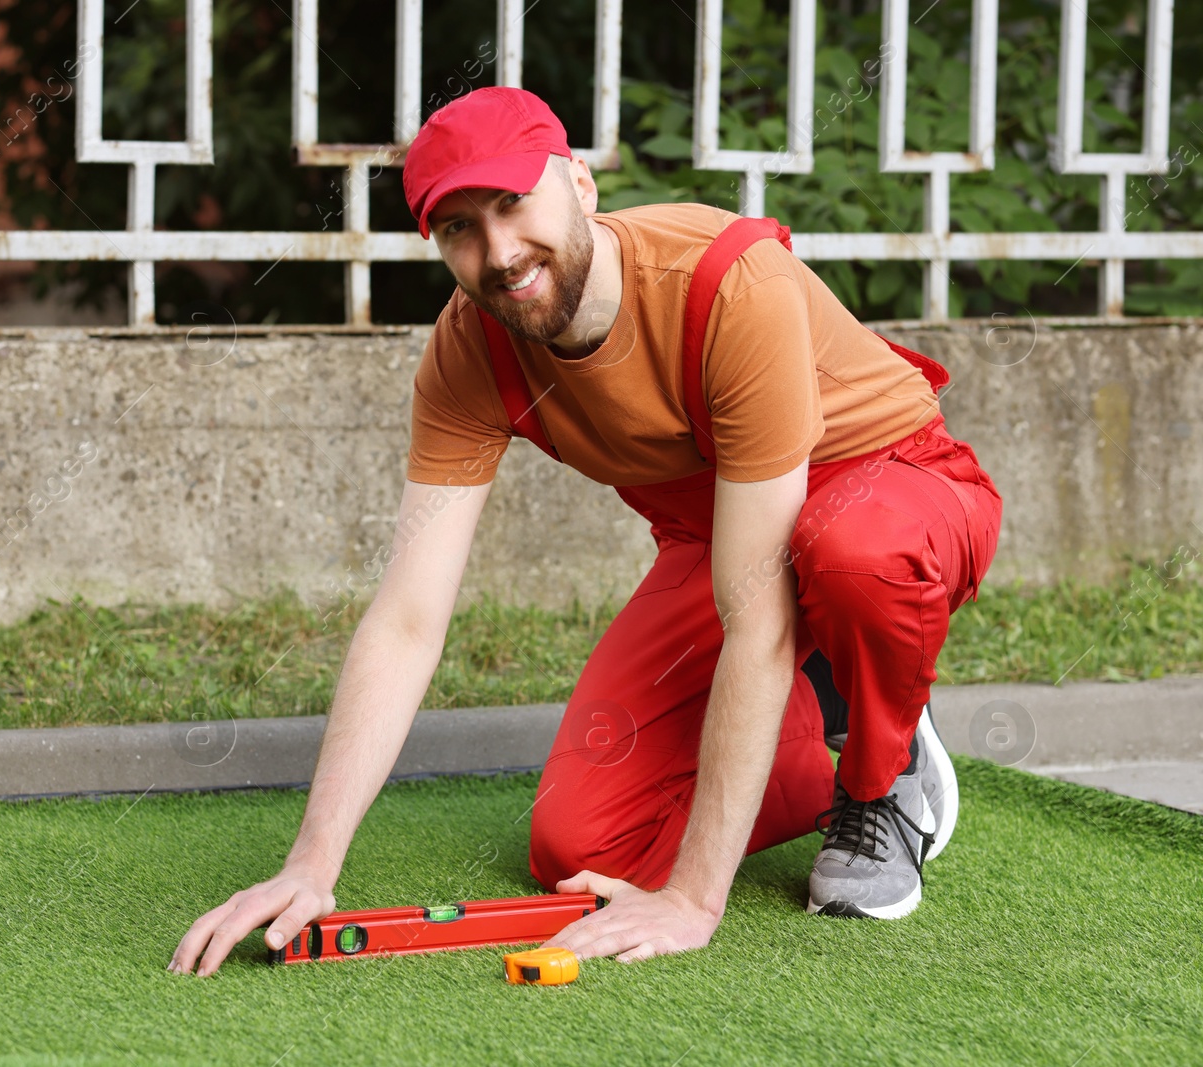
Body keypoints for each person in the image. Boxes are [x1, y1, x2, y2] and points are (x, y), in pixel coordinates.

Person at [169, 86, 1003, 976]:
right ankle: (841, 725)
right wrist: (312, 864)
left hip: (886, 485)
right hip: (723, 529)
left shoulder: (725, 285)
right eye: (459, 228)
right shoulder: (470, 353)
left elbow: (755, 614)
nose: (498, 252)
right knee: (582, 842)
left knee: (850, 555)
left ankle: (885, 770)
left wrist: (693, 898)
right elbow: (408, 617)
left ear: (580, 184)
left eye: (512, 203)